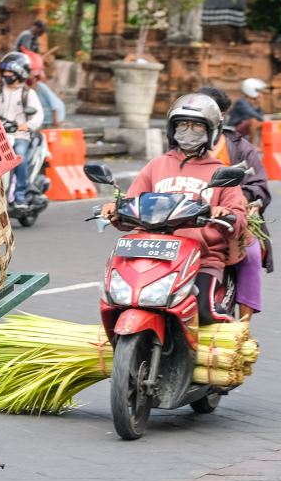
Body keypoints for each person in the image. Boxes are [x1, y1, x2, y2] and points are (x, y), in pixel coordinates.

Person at [101, 93, 248, 323]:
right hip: (149, 254)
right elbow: (131, 204)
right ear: (172, 129)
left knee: (205, 313)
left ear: (211, 132)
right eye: (182, 125)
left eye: (197, 127)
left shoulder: (220, 172)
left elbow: (239, 216)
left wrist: (225, 214)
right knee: (118, 301)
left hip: (201, 259)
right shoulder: (156, 166)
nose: (188, 132)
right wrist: (116, 210)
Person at [198, 86, 272, 321]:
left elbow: (260, 185)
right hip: (187, 217)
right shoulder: (179, 145)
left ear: (220, 116)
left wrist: (244, 199)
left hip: (228, 218)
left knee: (250, 253)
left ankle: (244, 324)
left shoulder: (239, 146)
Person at [0, 52, 44, 205]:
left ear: (20, 73)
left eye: (10, 73)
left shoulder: (28, 93)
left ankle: (20, 194)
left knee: (19, 157)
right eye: (4, 73)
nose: (6, 75)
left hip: (20, 136)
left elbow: (38, 115)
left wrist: (27, 125)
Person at [227, 78, 269, 146]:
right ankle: (252, 145)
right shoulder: (241, 102)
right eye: (257, 91)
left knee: (260, 122)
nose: (259, 94)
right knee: (253, 121)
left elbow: (260, 116)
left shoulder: (252, 102)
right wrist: (263, 119)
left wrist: (259, 104)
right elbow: (252, 113)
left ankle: (261, 145)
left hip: (244, 127)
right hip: (233, 128)